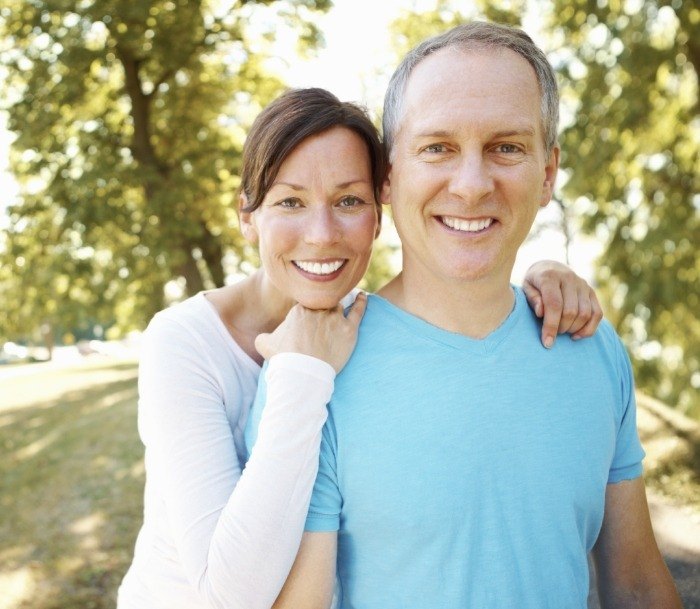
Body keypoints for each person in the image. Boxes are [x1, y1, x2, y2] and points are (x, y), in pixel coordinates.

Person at [117, 87, 602, 609]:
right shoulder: (183, 343)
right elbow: (228, 595)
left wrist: (542, 273)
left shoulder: (363, 325)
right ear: (247, 216)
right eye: (290, 202)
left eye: (349, 201)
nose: (322, 235)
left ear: (379, 212)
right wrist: (300, 373)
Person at [261, 23, 682, 609]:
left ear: (548, 174)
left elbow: (635, 583)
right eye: (437, 148)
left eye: (506, 147)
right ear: (388, 174)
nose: (471, 185)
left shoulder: (591, 347)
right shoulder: (313, 374)